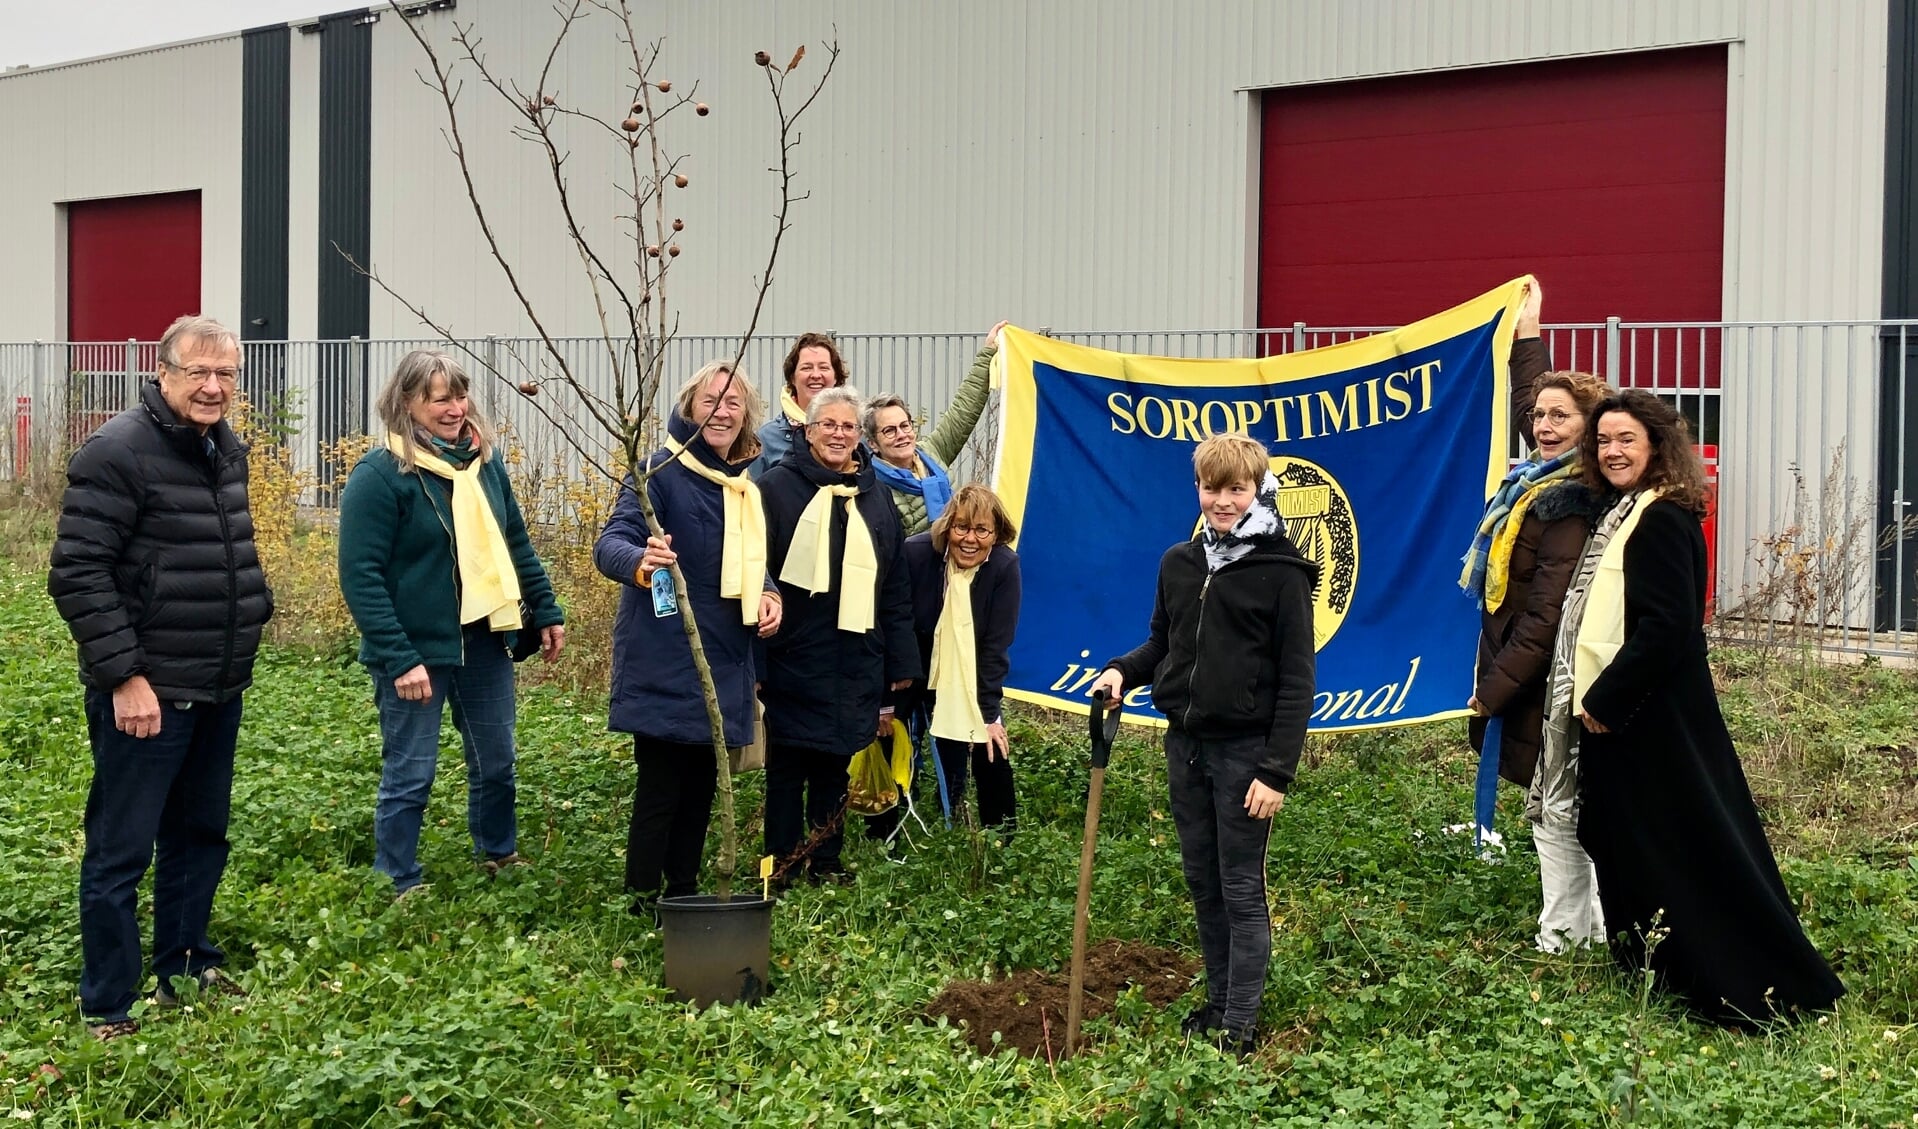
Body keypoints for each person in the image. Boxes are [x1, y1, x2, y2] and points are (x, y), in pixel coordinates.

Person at [1561, 389, 1845, 1025]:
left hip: (1650, 718)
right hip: (1636, 714)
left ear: (1658, 446)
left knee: (1687, 845)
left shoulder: (1659, 518)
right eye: (1603, 441)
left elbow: (1670, 626)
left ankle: (1739, 982)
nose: (1611, 451)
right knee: (1630, 840)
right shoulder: (1627, 511)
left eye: (1626, 439)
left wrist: (1606, 699)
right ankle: (1662, 972)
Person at [48, 314, 274, 1041]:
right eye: (198, 373)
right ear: (164, 373)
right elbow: (77, 573)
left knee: (201, 831)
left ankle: (184, 961)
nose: (213, 387)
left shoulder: (221, 447)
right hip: (147, 689)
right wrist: (124, 677)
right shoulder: (117, 451)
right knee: (122, 846)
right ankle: (107, 1002)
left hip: (216, 681)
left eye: (226, 375)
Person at [1089, 431, 1318, 1058]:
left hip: (1246, 755)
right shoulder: (1179, 563)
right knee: (1202, 880)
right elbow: (1162, 643)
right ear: (1198, 489)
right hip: (1184, 747)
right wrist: (1121, 671)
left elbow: (1298, 681)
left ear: (1257, 490)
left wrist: (1275, 771)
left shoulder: (1282, 575)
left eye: (1236, 489)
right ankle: (1218, 1001)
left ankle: (1240, 1026)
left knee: (1241, 885)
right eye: (1212, 488)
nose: (1223, 501)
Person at [337, 349, 566, 898]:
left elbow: (515, 544)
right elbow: (360, 576)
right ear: (408, 404)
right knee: (411, 770)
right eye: (440, 399)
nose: (455, 408)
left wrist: (547, 609)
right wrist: (399, 655)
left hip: (486, 637)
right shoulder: (381, 475)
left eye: (459, 396)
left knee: (497, 759)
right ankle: (398, 878)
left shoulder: (484, 466)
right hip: (415, 651)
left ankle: (497, 853)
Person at [594, 362, 782, 918]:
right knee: (661, 784)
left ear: (746, 415)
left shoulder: (744, 486)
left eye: (733, 403)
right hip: (666, 651)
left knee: (702, 783)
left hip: (724, 652)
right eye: (710, 400)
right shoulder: (658, 472)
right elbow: (611, 543)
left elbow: (751, 561)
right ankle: (641, 897)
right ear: (688, 408)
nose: (721, 412)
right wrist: (642, 562)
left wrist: (769, 594)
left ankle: (682, 893)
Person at [1459, 280, 1611, 952]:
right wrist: (1528, 334)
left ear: (1591, 430)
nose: (1544, 425)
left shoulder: (1569, 502)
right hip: (1531, 679)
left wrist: (1489, 694)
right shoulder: (1536, 480)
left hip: (1555, 684)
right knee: (1559, 806)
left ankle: (1567, 938)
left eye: (1561, 418)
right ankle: (1593, 929)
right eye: (1541, 416)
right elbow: (1530, 397)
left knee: (1559, 810)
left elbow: (1546, 619)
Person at [757, 385, 920, 885]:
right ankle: (780, 865)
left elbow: (894, 587)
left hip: (856, 654)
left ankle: (825, 861)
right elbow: (754, 574)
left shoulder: (875, 498)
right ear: (807, 430)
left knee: (834, 764)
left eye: (848, 426)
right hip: (791, 652)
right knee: (787, 768)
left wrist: (901, 666)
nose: (838, 434)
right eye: (828, 424)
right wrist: (757, 664)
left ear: (858, 436)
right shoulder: (775, 489)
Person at [900, 484, 1023, 830]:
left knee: (988, 742)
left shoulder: (1003, 567)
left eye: (982, 530)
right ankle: (886, 832)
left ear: (996, 535)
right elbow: (896, 621)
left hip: (965, 674)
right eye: (962, 527)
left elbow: (995, 647)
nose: (970, 539)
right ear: (947, 528)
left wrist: (988, 714)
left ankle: (999, 834)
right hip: (914, 665)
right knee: (888, 740)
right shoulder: (917, 554)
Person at [863, 322, 1007, 536]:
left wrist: (988, 353)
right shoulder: (871, 484)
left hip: (961, 553)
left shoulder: (931, 451)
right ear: (873, 443)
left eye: (904, 426)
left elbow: (963, 410)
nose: (901, 435)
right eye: (890, 431)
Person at [753, 332, 849, 476]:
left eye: (823, 367)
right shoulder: (766, 440)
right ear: (792, 377)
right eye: (807, 368)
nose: (816, 375)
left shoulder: (853, 434)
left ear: (836, 376)